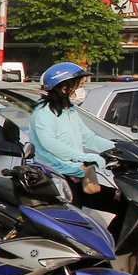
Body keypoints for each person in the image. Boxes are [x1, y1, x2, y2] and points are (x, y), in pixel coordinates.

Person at [31, 62, 114, 197]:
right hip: (57, 178)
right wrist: (83, 157)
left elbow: (88, 138)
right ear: (65, 89)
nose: (82, 91)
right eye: (80, 86)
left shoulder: (69, 110)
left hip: (75, 172)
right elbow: (49, 142)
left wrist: (117, 149)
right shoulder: (44, 112)